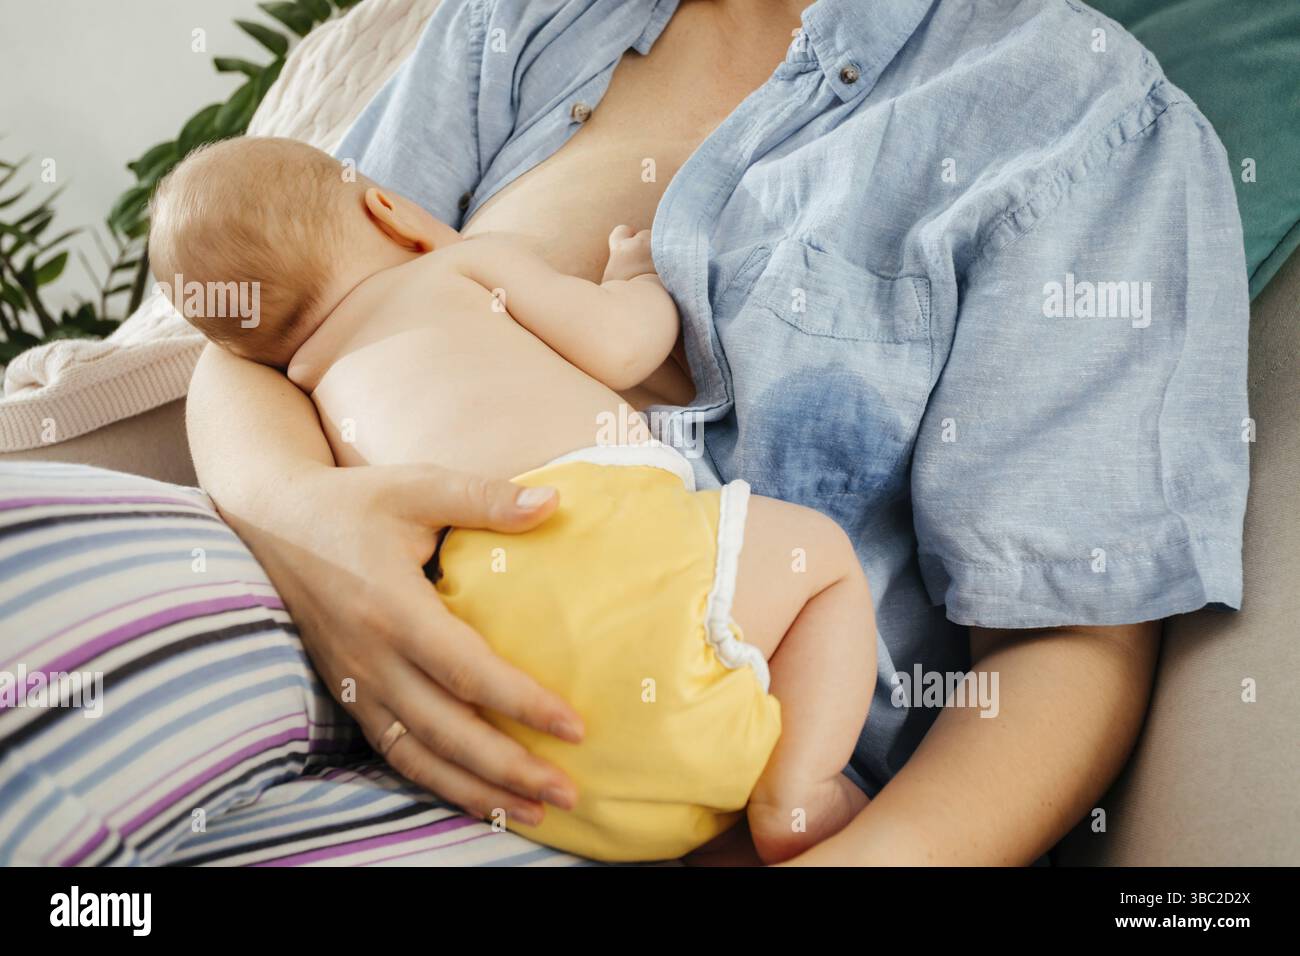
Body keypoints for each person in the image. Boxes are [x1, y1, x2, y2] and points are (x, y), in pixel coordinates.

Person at [186, 0, 1249, 864]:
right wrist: (299, 519)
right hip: (341, 722)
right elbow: (255, 325)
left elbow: (1063, 643)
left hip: (680, 816)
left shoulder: (1073, 113)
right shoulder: (510, 24)